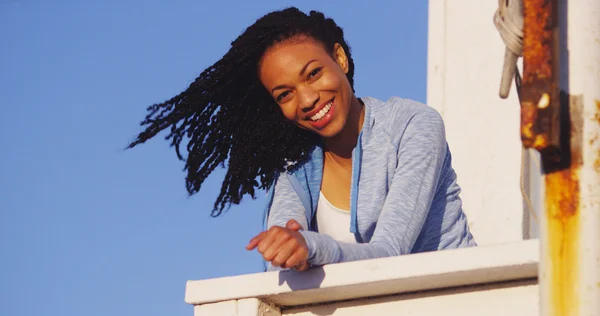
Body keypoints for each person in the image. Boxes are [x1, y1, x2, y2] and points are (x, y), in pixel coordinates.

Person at [128, 7, 476, 272]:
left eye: (313, 73)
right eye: (285, 94)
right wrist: (286, 249)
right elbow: (282, 264)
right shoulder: (294, 168)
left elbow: (389, 254)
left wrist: (310, 247)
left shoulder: (413, 126)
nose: (307, 100)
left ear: (339, 58)